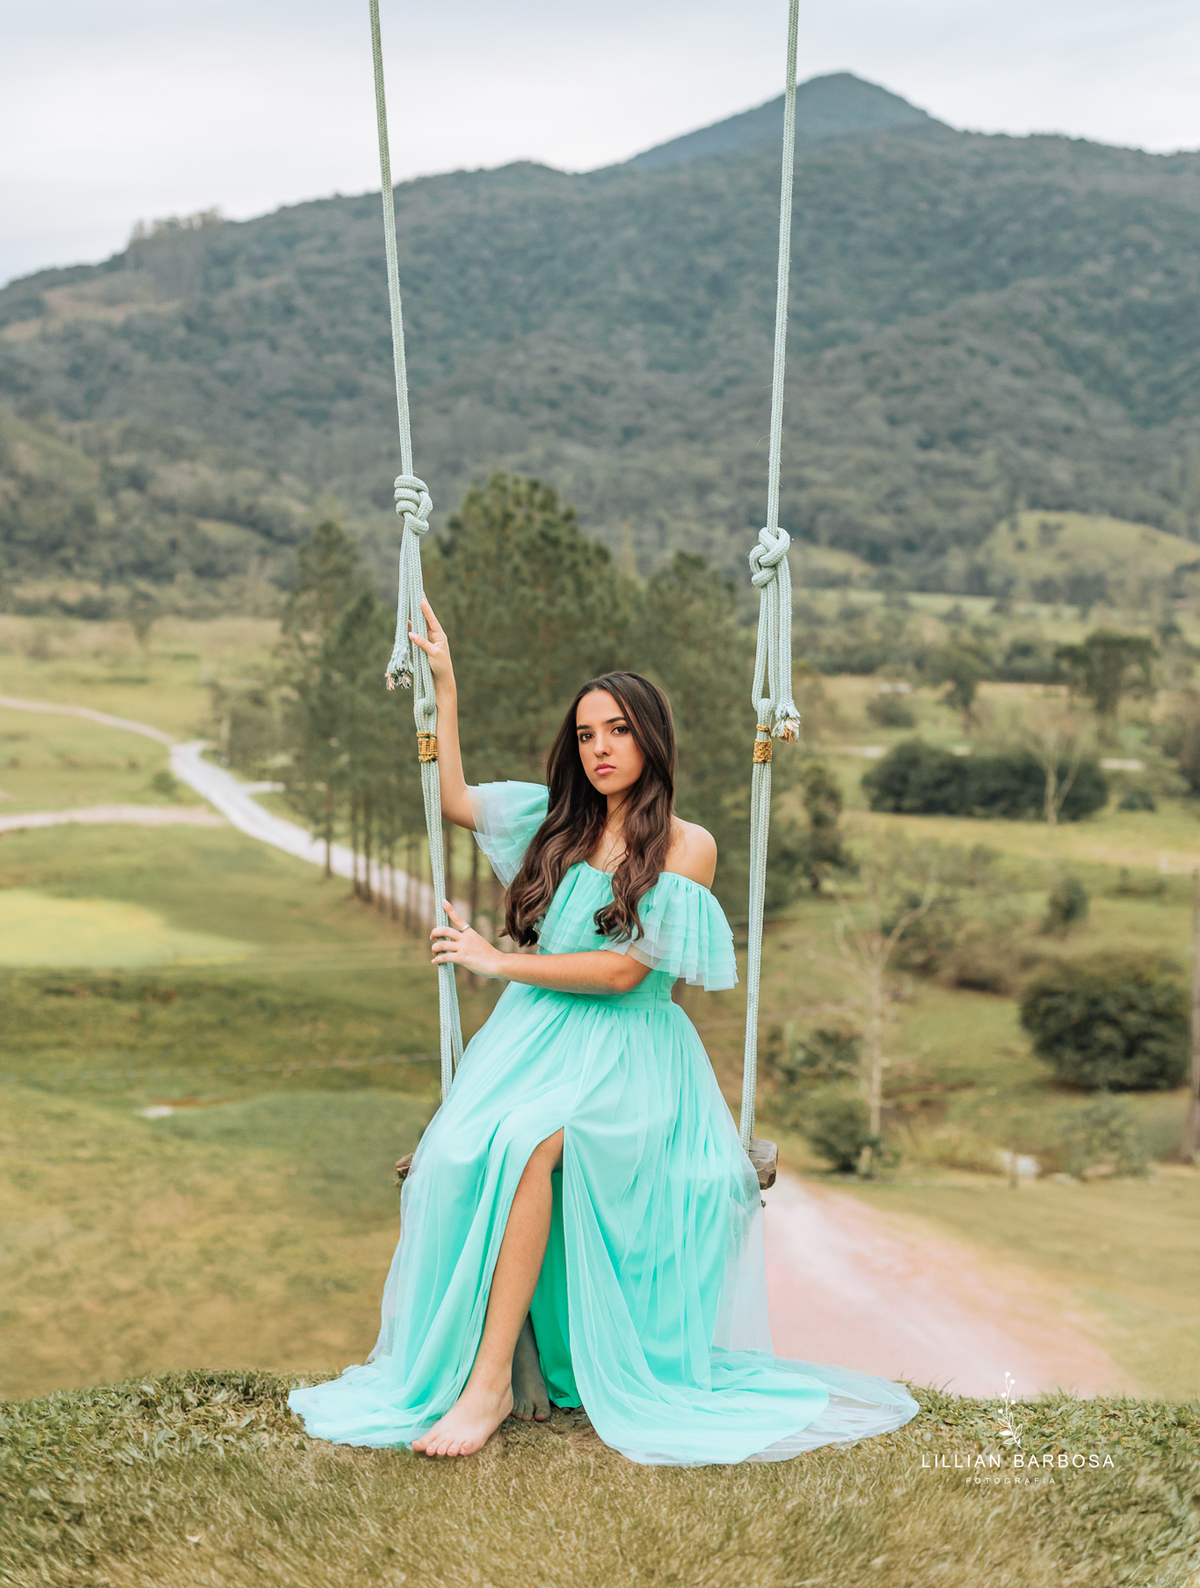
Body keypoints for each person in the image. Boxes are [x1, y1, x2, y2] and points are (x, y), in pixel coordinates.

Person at [288, 600, 917, 1465]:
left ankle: (489, 1385)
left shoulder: (685, 846)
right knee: (473, 1148)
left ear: (650, 739)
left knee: (536, 1141)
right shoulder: (558, 821)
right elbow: (454, 798)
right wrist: (445, 685)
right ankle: (508, 1359)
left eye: (617, 731)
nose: (600, 749)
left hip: (631, 1057)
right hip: (533, 1043)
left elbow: (625, 975)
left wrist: (495, 961)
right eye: (585, 735)